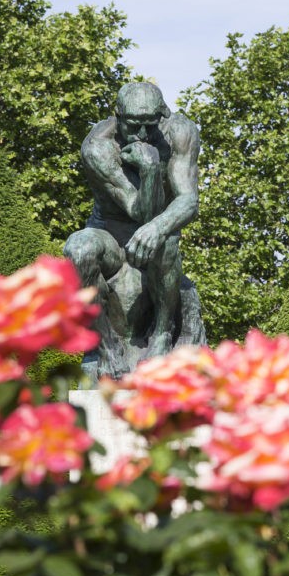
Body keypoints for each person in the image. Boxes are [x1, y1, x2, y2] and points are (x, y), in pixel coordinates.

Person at [64, 82, 200, 369]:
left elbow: (188, 200)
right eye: (132, 126)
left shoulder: (180, 132)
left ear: (163, 116)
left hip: (156, 240)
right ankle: (105, 348)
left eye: (149, 126)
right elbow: (138, 210)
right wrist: (150, 169)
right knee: (78, 247)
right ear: (118, 116)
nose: (141, 135)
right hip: (111, 236)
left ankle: (162, 334)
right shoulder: (98, 146)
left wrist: (159, 227)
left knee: (167, 238)